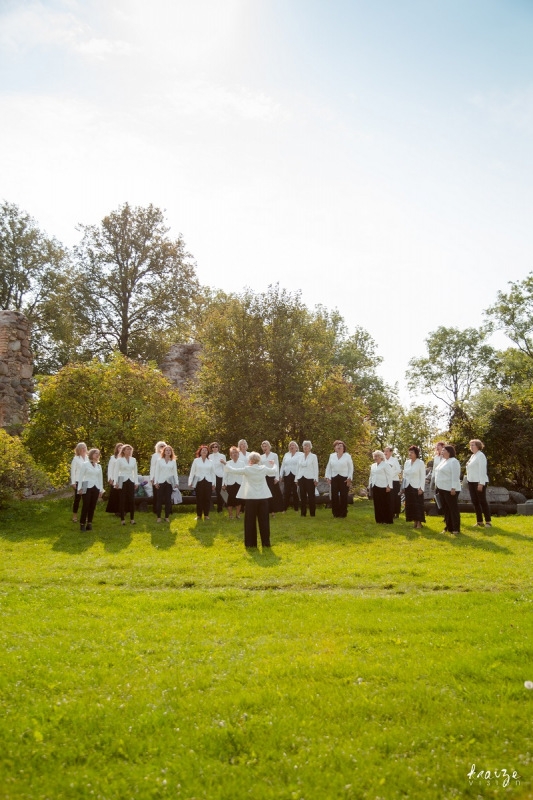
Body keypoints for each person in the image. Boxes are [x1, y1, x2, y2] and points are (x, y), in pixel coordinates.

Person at [225, 452, 277, 547]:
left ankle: (250, 544)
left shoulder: (247, 469)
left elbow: (233, 470)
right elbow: (273, 471)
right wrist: (274, 464)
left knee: (249, 521)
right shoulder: (263, 468)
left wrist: (225, 464)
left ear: (251, 461)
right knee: (264, 521)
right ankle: (266, 543)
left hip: (251, 498)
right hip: (263, 498)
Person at [434, 444, 462, 535]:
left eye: (444, 451)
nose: (442, 452)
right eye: (442, 451)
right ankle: (448, 527)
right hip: (441, 488)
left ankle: (456, 528)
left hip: (450, 489)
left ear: (449, 452)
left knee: (452, 509)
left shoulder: (454, 461)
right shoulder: (443, 461)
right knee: (446, 509)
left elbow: (455, 475)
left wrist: (453, 487)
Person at [466, 439, 492, 528]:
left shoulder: (481, 456)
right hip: (471, 481)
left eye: (473, 445)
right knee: (475, 502)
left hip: (479, 481)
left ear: (478, 446)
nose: (471, 447)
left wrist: (481, 483)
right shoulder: (473, 456)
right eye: (470, 445)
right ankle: (479, 521)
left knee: (482, 501)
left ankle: (488, 521)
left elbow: (482, 470)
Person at [325, 440, 353, 518]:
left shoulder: (347, 456)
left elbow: (351, 468)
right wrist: (327, 477)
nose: (339, 447)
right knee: (334, 496)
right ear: (335, 448)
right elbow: (328, 467)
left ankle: (343, 513)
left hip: (344, 478)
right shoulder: (332, 456)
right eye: (338, 446)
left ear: (344, 448)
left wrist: (349, 478)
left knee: (344, 496)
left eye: (341, 446)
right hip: (334, 478)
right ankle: (335, 513)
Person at [77, 448, 104, 531]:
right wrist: (79, 488)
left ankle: (89, 523)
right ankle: (82, 524)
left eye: (98, 454)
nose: (97, 455)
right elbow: (81, 477)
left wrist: (101, 490)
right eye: (96, 453)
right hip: (86, 487)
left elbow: (100, 479)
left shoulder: (99, 466)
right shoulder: (85, 464)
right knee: (86, 505)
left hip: (96, 487)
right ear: (91, 454)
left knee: (92, 506)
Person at [188, 445, 216, 521]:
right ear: (200, 452)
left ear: (207, 452)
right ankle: (199, 515)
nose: (204, 451)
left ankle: (206, 515)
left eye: (205, 450)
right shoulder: (196, 461)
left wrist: (214, 484)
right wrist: (190, 481)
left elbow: (213, 473)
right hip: (198, 482)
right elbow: (192, 472)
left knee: (207, 499)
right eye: (202, 450)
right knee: (199, 499)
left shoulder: (210, 462)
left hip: (208, 481)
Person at [114, 444, 138, 525]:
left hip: (131, 480)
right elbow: (116, 472)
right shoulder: (119, 460)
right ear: (123, 451)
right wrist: (115, 482)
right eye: (127, 449)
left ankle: (132, 519)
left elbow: (135, 472)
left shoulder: (133, 460)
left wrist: (136, 482)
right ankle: (122, 519)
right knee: (122, 499)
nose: (129, 451)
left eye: (130, 449)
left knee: (131, 500)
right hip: (122, 480)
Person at [402, 445, 426, 529]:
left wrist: (421, 488)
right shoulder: (407, 463)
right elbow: (404, 475)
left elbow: (423, 476)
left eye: (412, 452)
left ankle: (419, 522)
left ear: (416, 453)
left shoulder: (420, 463)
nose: (410, 454)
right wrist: (403, 487)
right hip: (408, 486)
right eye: (409, 452)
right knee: (410, 505)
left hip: (416, 487)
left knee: (418, 505)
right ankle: (414, 522)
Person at [154, 445, 179, 523]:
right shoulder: (159, 461)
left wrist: (176, 482)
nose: (168, 452)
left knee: (168, 500)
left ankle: (167, 516)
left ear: (171, 452)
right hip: (161, 482)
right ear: (164, 452)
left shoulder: (173, 461)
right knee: (159, 500)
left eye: (169, 450)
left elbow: (175, 473)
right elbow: (157, 472)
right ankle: (158, 517)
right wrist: (156, 482)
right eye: (166, 450)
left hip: (169, 483)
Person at [295, 440, 319, 517]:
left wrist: (316, 479)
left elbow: (316, 468)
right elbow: (297, 468)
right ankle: (303, 513)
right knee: (302, 496)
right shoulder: (300, 456)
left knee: (311, 496)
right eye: (304, 446)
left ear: (310, 447)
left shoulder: (313, 456)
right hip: (301, 478)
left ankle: (312, 513)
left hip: (310, 478)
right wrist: (296, 479)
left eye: (307, 446)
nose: (305, 447)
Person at [369, 450, 394, 524]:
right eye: (375, 456)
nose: (375, 458)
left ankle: (387, 520)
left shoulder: (386, 465)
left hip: (383, 486)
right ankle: (379, 520)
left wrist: (389, 486)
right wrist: (369, 485)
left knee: (385, 503)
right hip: (375, 486)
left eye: (377, 456)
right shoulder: (373, 465)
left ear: (381, 457)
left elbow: (390, 476)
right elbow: (371, 476)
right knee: (377, 504)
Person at [260, 440, 283, 514]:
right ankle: (267, 509)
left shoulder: (274, 455)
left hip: (272, 476)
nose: (264, 448)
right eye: (263, 447)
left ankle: (274, 510)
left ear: (269, 447)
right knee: (265, 493)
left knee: (273, 493)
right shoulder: (261, 457)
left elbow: (276, 466)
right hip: (264, 477)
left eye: (265, 446)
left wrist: (277, 477)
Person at [280, 441, 303, 512]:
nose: (291, 447)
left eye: (293, 445)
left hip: (296, 475)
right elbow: (283, 465)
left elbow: (301, 466)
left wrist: (300, 476)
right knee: (286, 492)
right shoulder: (286, 455)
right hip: (287, 475)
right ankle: (284, 508)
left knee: (295, 492)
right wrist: (280, 475)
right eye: (290, 446)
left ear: (296, 447)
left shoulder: (300, 454)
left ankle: (296, 508)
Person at [222, 446, 243, 519]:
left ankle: (238, 515)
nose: (234, 454)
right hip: (230, 483)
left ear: (238, 454)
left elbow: (244, 474)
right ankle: (230, 515)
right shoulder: (227, 463)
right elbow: (225, 474)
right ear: (230, 455)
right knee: (229, 500)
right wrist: (223, 484)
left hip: (239, 483)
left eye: (236, 453)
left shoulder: (242, 463)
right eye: (233, 453)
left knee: (238, 500)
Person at [70, 442, 88, 523]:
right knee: (77, 499)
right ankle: (74, 515)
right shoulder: (76, 459)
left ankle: (86, 515)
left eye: (85, 447)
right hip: (78, 481)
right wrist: (73, 482)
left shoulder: (88, 458)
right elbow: (73, 471)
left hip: (87, 481)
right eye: (82, 448)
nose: (84, 449)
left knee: (86, 499)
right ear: (79, 450)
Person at [149, 441, 167, 517]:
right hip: (156, 477)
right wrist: (152, 477)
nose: (162, 447)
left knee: (167, 494)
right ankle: (155, 510)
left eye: (163, 446)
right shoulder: (155, 456)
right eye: (161, 446)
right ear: (157, 447)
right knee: (156, 494)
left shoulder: (167, 455)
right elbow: (152, 467)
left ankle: (168, 510)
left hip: (166, 477)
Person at [105, 442, 123, 515]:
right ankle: (115, 510)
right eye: (119, 447)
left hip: (122, 477)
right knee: (115, 494)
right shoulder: (113, 458)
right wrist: (110, 478)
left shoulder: (125, 458)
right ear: (117, 449)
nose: (121, 449)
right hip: (114, 478)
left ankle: (123, 510)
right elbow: (110, 468)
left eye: (122, 448)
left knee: (122, 494)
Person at [209, 441, 227, 513]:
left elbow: (224, 468)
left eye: (216, 447)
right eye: (213, 447)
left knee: (220, 493)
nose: (214, 448)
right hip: (211, 476)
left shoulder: (222, 456)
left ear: (218, 448)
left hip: (220, 476)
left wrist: (224, 480)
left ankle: (220, 508)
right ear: (211, 448)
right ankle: (208, 508)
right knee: (209, 492)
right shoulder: (209, 456)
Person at [384, 446, 402, 518]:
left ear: (391, 452)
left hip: (394, 481)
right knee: (387, 497)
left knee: (395, 497)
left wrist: (390, 475)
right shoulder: (383, 460)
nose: (385, 453)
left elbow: (398, 470)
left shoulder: (394, 460)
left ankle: (396, 512)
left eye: (387, 451)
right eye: (384, 451)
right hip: (386, 481)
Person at [429, 441, 446, 513]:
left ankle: (446, 514)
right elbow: (434, 469)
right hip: (437, 480)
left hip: (444, 480)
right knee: (438, 496)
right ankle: (441, 512)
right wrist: (432, 480)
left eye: (439, 446)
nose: (437, 447)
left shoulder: (446, 457)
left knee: (444, 497)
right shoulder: (436, 457)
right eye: (437, 446)